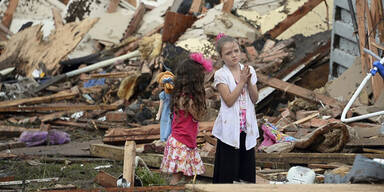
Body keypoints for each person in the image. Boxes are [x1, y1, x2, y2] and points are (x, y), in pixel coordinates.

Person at [212, 33, 260, 183]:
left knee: (246, 168)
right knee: (228, 169)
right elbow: (229, 100)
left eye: (236, 51)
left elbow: (255, 98)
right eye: (228, 53)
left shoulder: (249, 70)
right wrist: (242, 82)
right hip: (229, 126)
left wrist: (249, 81)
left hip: (246, 125)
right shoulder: (221, 75)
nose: (234, 55)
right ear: (221, 57)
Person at [160, 52, 212, 186]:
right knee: (178, 177)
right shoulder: (188, 100)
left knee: (188, 175)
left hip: (183, 141)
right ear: (195, 80)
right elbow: (198, 116)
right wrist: (206, 101)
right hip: (182, 143)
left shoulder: (181, 95)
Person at [155, 71, 175, 143]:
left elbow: (161, 105)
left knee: (166, 123)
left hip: (166, 111)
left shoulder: (163, 94)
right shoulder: (174, 93)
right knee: (170, 123)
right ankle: (169, 138)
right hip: (173, 110)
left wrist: (158, 114)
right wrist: (158, 114)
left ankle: (164, 138)